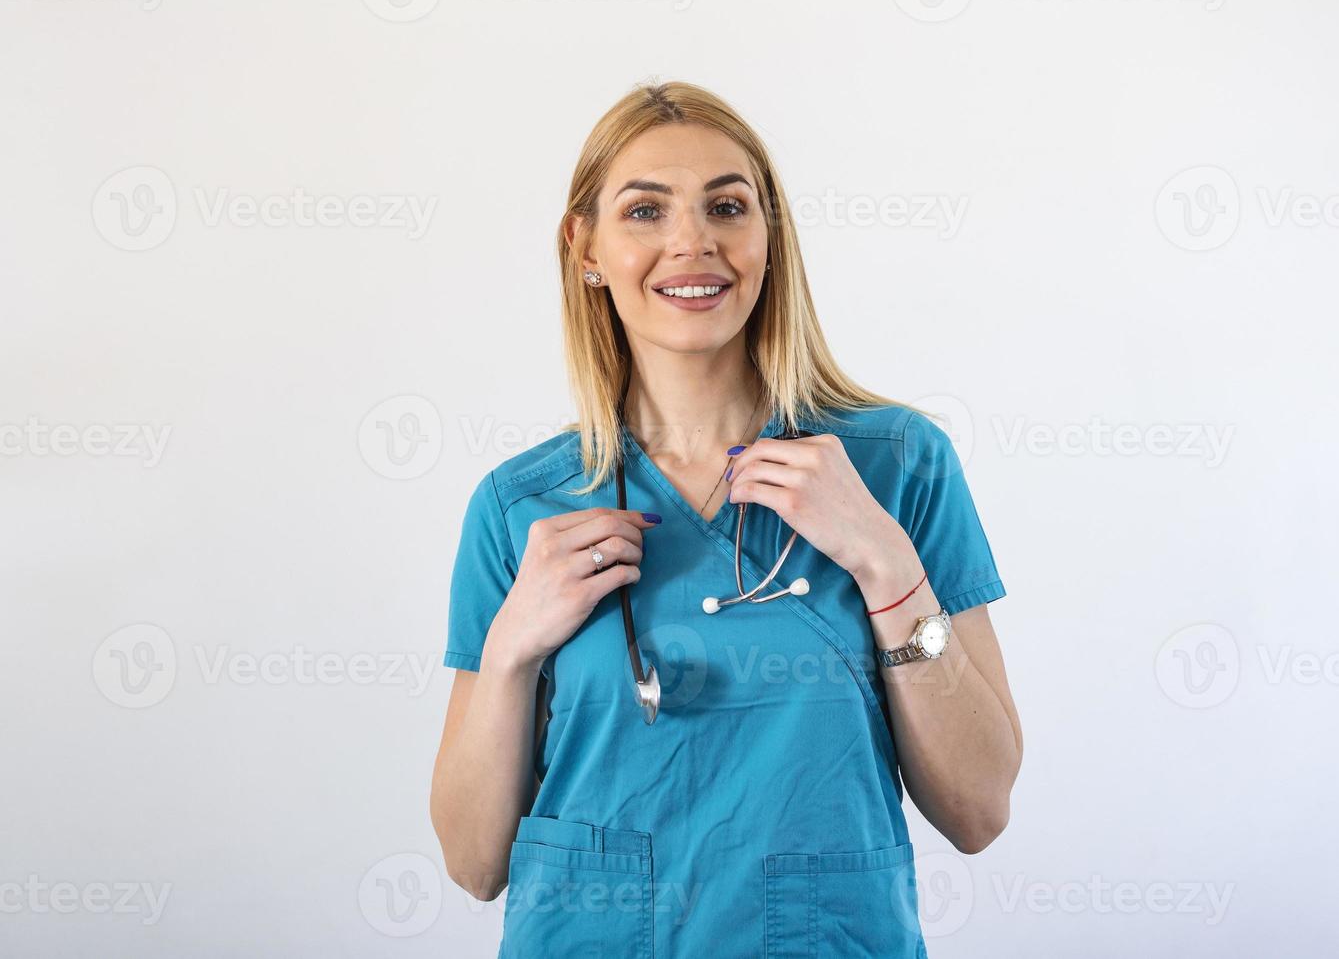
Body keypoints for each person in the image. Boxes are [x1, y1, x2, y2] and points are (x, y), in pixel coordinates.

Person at [429, 79, 1023, 958]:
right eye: (644, 211)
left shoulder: (898, 466)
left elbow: (978, 809)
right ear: (584, 247)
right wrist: (513, 646)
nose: (692, 242)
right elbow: (473, 864)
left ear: (768, 239)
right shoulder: (519, 508)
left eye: (727, 206)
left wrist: (888, 567)